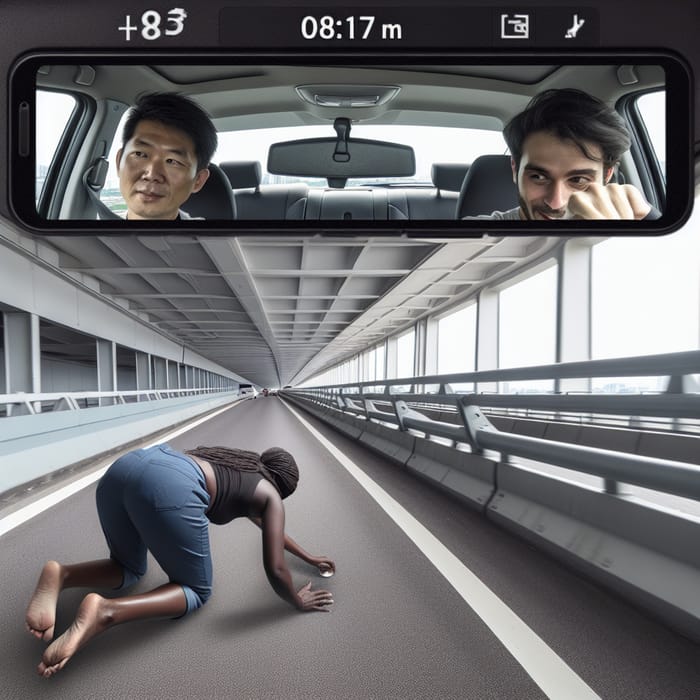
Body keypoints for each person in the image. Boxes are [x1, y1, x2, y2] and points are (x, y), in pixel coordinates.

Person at [25, 443, 335, 677]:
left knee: (128, 568)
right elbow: (276, 568)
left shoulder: (236, 464)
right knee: (196, 590)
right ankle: (106, 612)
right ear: (283, 487)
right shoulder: (271, 497)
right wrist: (297, 601)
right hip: (168, 489)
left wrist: (307, 556)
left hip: (126, 469)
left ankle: (62, 575)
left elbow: (271, 531)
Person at [469, 88, 660, 221]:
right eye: (538, 177)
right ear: (514, 169)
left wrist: (648, 217)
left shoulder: (628, 226)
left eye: (578, 180)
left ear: (607, 175)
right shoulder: (471, 238)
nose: (555, 203)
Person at [114, 92, 218, 220]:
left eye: (172, 161)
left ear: (198, 181)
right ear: (119, 163)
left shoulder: (213, 240)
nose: (151, 175)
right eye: (140, 154)